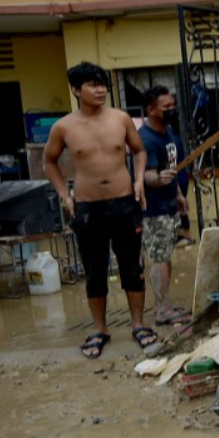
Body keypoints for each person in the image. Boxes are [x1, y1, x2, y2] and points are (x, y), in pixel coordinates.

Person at [43, 62, 157, 359]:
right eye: (93, 85)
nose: (100, 89)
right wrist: (64, 195)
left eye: (103, 84)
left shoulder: (120, 119)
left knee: (132, 267)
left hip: (123, 202)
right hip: (87, 209)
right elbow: (49, 162)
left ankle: (138, 324)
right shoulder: (64, 127)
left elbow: (140, 150)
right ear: (76, 90)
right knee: (94, 270)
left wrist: (139, 180)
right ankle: (100, 329)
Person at [137, 86, 191, 326]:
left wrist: (178, 193)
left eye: (173, 106)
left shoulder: (168, 132)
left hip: (169, 205)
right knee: (159, 258)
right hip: (154, 209)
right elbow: (146, 175)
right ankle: (160, 310)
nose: (172, 110)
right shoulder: (146, 139)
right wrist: (158, 180)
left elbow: (173, 168)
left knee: (166, 256)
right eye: (166, 107)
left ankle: (166, 305)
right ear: (151, 110)